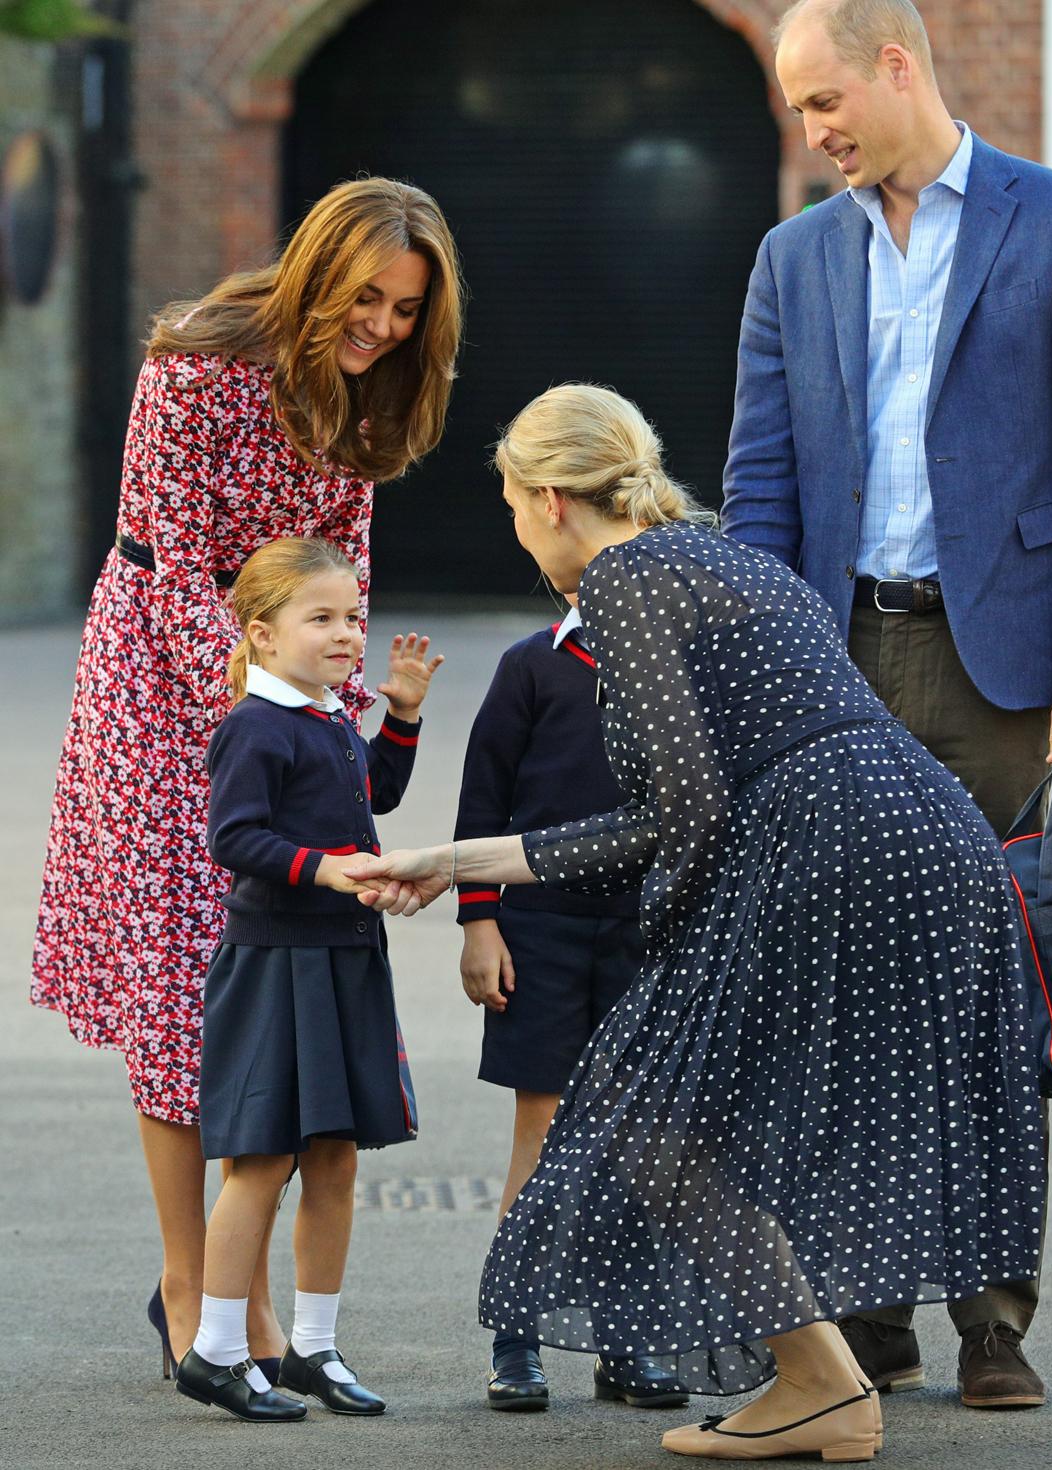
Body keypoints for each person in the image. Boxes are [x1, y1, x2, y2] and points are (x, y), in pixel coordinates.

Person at [346, 383, 1046, 1463]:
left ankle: (820, 1382)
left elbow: (680, 815)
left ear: (548, 500)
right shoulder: (725, 556)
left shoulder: (623, 580)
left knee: (648, 1113)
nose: (516, 529)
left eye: (507, 505)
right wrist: (452, 863)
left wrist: (489, 872)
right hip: (925, 833)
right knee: (785, 1108)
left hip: (823, 845)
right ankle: (829, 1377)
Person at [721, 0, 1052, 1407]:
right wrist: (757, 673)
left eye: (825, 99)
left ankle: (995, 1319)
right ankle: (869, 1312)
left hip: (1004, 673)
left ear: (897, 65)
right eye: (798, 111)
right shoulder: (794, 256)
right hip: (837, 658)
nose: (814, 130)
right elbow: (761, 484)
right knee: (842, 991)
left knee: (989, 991)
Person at [30, 176, 464, 1378]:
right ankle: (195, 1295)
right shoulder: (197, 361)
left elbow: (346, 564)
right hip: (163, 688)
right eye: (366, 298)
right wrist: (258, 722)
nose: (381, 326)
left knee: (267, 985)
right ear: (318, 269)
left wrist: (332, 712)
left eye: (407, 311)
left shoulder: (374, 390)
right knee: (183, 992)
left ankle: (245, 1295)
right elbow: (172, 564)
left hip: (283, 686)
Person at [174, 535, 442, 1422]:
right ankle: (215, 1351)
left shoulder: (328, 717)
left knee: (334, 1158)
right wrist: (325, 871)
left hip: (345, 960)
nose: (345, 633)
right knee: (262, 1159)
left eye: (352, 616)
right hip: (276, 964)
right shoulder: (253, 725)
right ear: (260, 633)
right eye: (321, 617)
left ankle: (313, 1351)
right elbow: (234, 838)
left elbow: (376, 794)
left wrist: (399, 715)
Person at [454, 594, 687, 1412]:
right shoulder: (531, 665)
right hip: (538, 927)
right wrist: (480, 922)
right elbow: (483, 799)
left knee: (636, 1141)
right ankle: (516, 1339)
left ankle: (627, 1342)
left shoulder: (679, 665)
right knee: (543, 1134)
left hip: (646, 931)